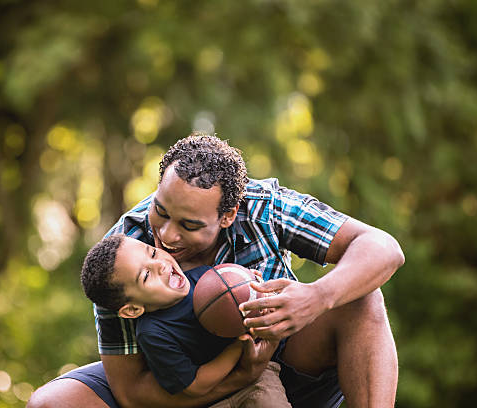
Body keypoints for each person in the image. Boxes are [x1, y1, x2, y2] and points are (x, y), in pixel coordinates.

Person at [28, 133, 405, 408]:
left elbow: (383, 248)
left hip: (281, 357)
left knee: (361, 297)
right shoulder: (123, 254)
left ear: (228, 215)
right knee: (53, 403)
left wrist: (316, 297)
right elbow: (130, 392)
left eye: (189, 225)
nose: (166, 235)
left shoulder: (265, 208)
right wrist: (240, 376)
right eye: (160, 210)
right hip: (180, 385)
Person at [78, 233, 291, 408]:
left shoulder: (208, 278)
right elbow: (194, 386)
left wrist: (251, 286)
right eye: (145, 276)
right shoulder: (153, 333)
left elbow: (251, 302)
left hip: (259, 380)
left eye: (152, 253)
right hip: (207, 400)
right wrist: (237, 347)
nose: (160, 266)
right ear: (133, 309)